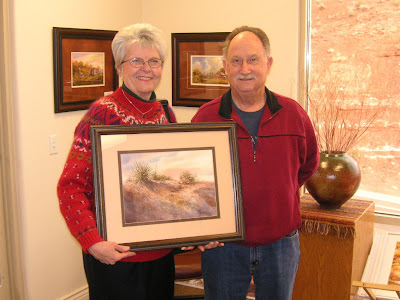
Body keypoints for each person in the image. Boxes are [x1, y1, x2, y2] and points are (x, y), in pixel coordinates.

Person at [191, 25, 320, 299]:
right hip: (223, 247)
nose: (244, 69)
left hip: (281, 246)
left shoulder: (294, 114)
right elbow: (191, 178)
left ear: (268, 64)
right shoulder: (205, 118)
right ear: (225, 67)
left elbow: (308, 164)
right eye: (236, 61)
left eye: (253, 59)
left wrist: (278, 192)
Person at [57, 23, 178, 299]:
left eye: (154, 61)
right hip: (116, 256)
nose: (146, 68)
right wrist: (92, 242)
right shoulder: (102, 114)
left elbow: (167, 177)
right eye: (136, 60)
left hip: (161, 253)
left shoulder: (165, 115)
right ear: (119, 67)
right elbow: (70, 186)